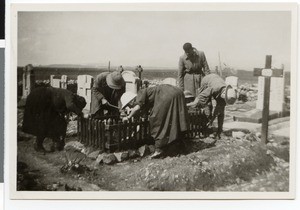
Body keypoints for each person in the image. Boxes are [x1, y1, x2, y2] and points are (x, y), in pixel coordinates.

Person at [121, 84, 189, 158]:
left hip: (166, 95)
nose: (129, 107)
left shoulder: (140, 94)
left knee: (157, 121)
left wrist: (128, 117)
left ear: (131, 101)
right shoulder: (147, 94)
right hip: (178, 92)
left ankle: (159, 149)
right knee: (176, 118)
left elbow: (137, 108)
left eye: (128, 106)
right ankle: (180, 144)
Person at [22, 87, 86, 152]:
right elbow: (70, 105)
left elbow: (61, 106)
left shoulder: (68, 97)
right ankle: (39, 145)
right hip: (41, 97)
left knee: (57, 122)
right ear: (78, 102)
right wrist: (80, 113)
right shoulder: (70, 95)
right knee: (44, 123)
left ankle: (56, 144)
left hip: (45, 101)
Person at [187, 73, 237, 139]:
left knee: (221, 111)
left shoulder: (227, 93)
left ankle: (219, 131)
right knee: (208, 106)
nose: (223, 100)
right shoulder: (214, 88)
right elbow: (200, 97)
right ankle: (207, 129)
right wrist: (190, 104)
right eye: (224, 98)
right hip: (206, 82)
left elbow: (218, 111)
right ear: (224, 93)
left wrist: (212, 119)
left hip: (215, 81)